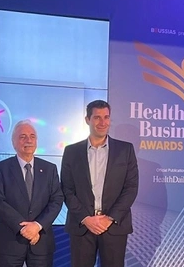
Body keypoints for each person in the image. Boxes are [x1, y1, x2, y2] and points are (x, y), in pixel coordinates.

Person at [61, 100, 139, 267]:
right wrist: (85, 218)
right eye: (97, 117)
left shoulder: (125, 150)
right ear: (87, 120)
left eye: (106, 117)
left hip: (114, 226)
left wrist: (109, 218)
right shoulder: (71, 151)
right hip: (82, 226)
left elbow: (131, 188)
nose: (103, 122)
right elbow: (67, 189)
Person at [0, 120, 63, 267]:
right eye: (23, 136)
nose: (28, 140)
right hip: (9, 243)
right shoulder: (0, 168)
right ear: (13, 142)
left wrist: (37, 226)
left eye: (32, 136)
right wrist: (24, 229)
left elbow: (56, 200)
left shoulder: (50, 169)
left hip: (41, 243)